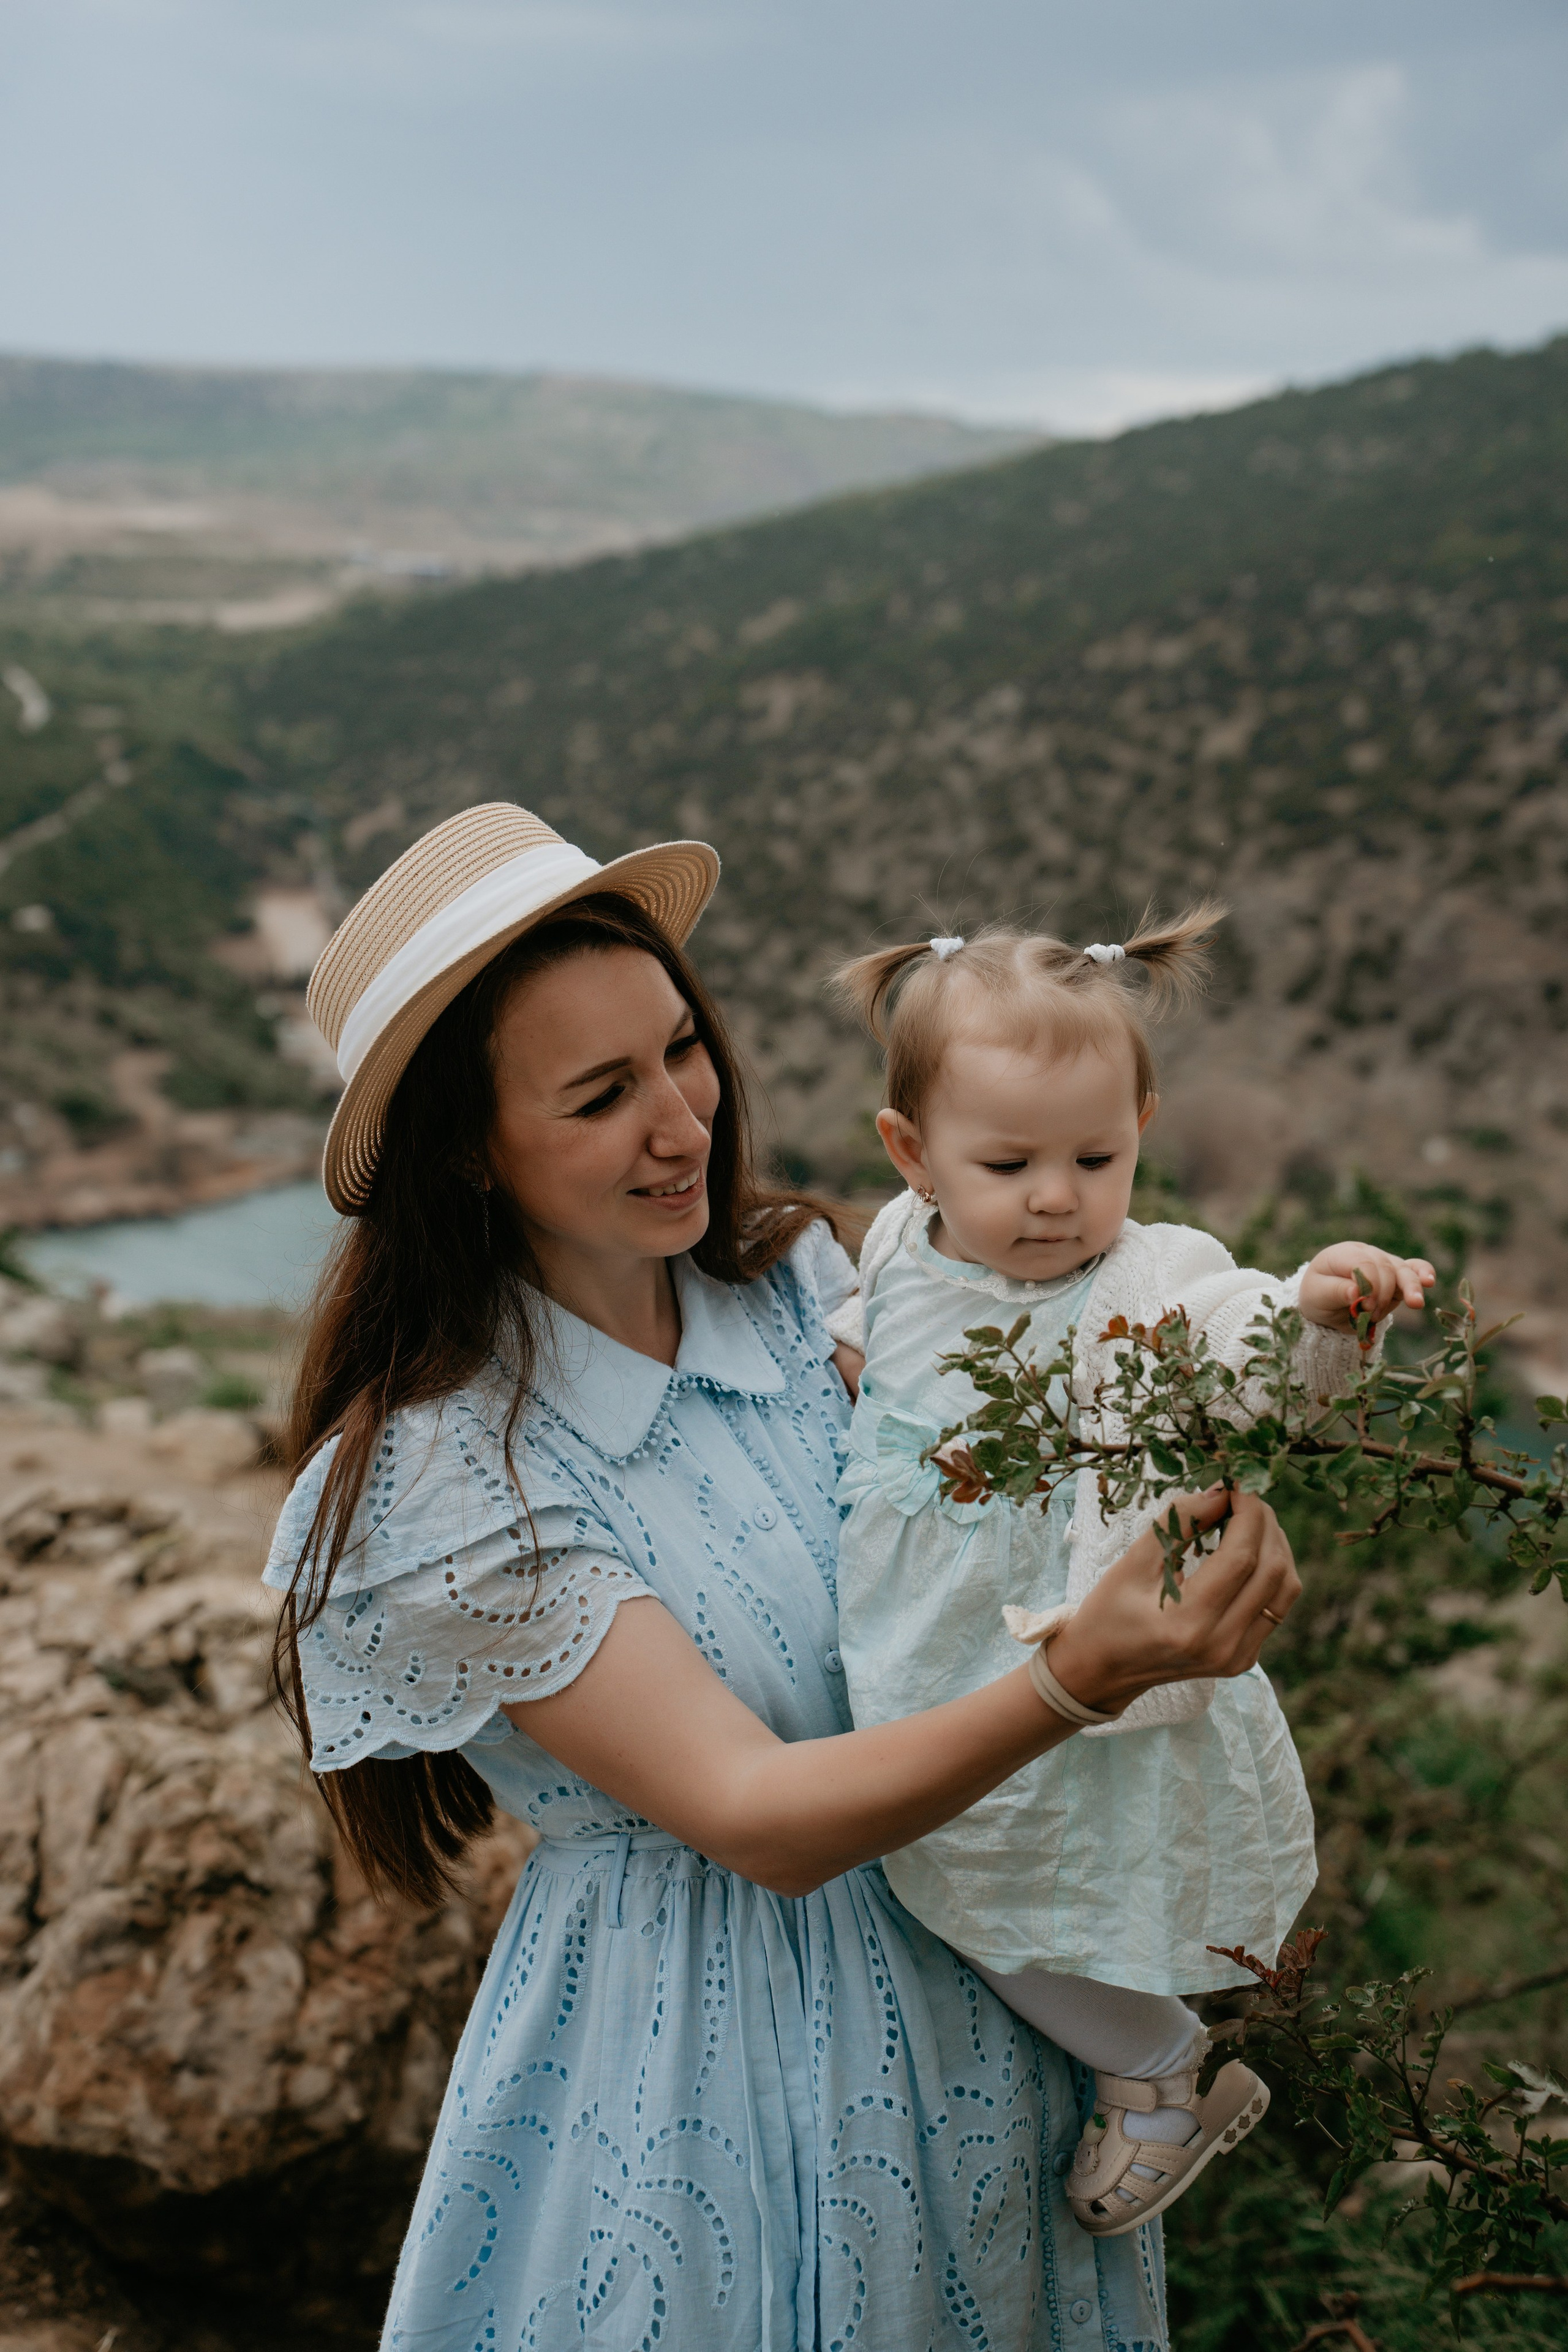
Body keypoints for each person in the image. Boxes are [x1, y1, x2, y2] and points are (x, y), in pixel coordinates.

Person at [266, 804, 1303, 2352]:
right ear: (467, 1155)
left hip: (987, 2030)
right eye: (600, 1094)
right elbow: (754, 1818)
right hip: (703, 2084)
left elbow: (1021, 1478)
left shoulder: (802, 1289)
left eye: (681, 1050)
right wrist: (1074, 1675)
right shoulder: (450, 1483)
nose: (681, 1121)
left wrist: (1180, 1529)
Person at [825, 915, 1434, 2239]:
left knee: (992, 1890)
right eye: (1008, 1163)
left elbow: (1245, 1344)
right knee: (937, 1862)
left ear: (1140, 1128)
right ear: (910, 1156)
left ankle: (1156, 2069)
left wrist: (1321, 1305)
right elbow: (883, 1333)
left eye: (1094, 1157)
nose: (1056, 1195)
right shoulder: (894, 1246)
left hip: (1059, 1662)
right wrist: (855, 1367)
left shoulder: (1147, 1283)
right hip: (922, 1660)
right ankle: (1148, 2056)